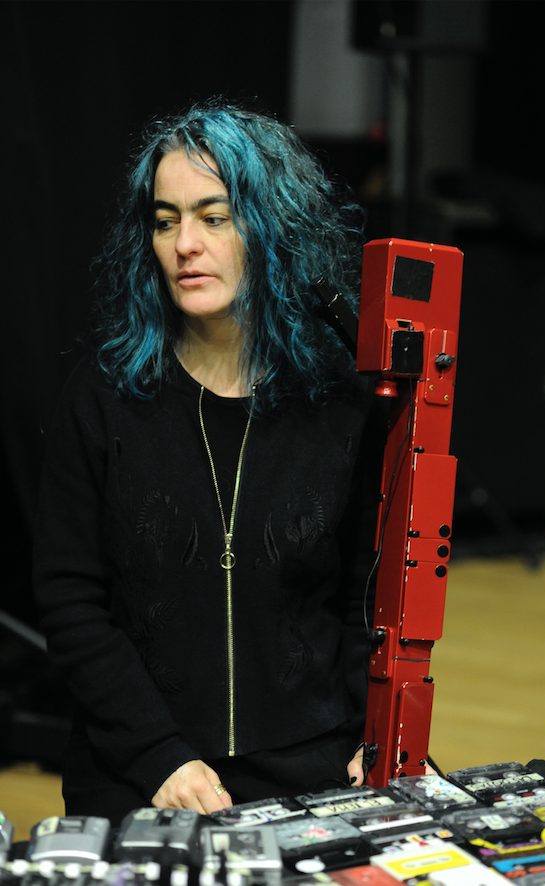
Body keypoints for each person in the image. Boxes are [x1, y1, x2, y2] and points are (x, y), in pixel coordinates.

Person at [33, 101, 387, 826]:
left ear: (273, 226)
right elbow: (70, 602)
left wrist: (371, 731)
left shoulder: (341, 401)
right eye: (165, 221)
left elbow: (365, 598)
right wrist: (157, 754)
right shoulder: (101, 397)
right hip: (140, 762)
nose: (184, 245)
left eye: (214, 217)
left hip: (314, 753)